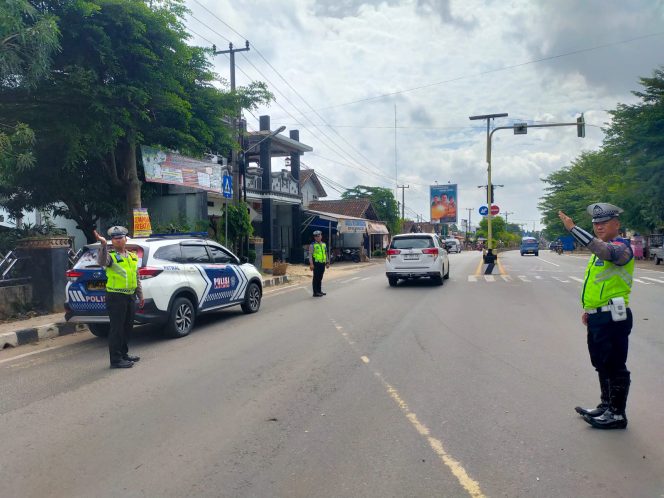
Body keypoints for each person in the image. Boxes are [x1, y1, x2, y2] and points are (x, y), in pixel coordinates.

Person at [559, 203, 634, 429]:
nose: (599, 227)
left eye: (604, 223)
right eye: (595, 224)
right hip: (598, 316)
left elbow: (604, 251)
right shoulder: (600, 250)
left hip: (614, 316)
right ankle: (606, 406)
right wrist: (589, 310)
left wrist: (573, 228)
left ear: (616, 224)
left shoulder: (622, 248)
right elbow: (600, 284)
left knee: (614, 364)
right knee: (600, 362)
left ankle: (617, 414)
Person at [94, 226, 144, 369]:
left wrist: (140, 295)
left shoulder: (133, 256)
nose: (117, 240)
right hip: (116, 297)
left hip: (130, 296)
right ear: (112, 241)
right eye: (114, 238)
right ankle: (115, 360)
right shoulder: (111, 256)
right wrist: (103, 245)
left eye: (120, 237)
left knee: (128, 327)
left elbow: (136, 276)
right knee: (117, 329)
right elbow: (102, 262)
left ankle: (123, 354)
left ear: (125, 239)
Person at [308, 230, 329, 297]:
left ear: (321, 236)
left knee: (320, 277)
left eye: (319, 236)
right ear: (314, 237)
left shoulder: (324, 244)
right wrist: (311, 264)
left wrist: (327, 262)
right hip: (316, 264)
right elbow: (310, 255)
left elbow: (326, 253)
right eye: (316, 236)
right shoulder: (312, 245)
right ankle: (315, 292)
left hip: (322, 263)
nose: (317, 237)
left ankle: (319, 291)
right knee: (316, 278)